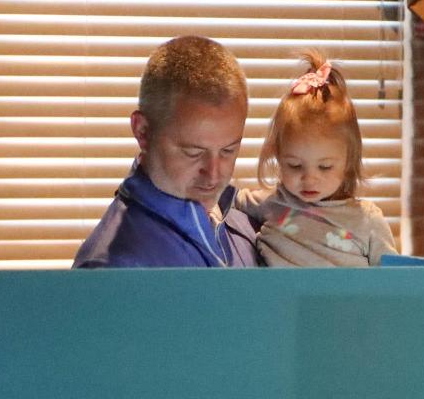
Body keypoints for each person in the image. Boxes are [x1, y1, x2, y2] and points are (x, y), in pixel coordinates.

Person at [73, 36, 259, 268]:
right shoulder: (114, 268)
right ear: (142, 131)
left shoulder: (246, 225)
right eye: (193, 152)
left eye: (228, 151)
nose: (213, 174)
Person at [234, 51, 398, 267]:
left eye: (325, 167)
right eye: (294, 165)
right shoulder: (271, 203)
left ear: (348, 162)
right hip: (278, 299)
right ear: (277, 157)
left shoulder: (366, 220)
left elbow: (396, 281)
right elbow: (223, 195)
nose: (309, 179)